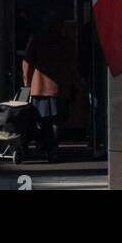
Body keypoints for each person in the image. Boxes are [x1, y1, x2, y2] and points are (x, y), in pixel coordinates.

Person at [21, 15, 78, 163]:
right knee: (57, 121)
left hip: (39, 88)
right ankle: (53, 150)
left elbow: (27, 62)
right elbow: (72, 65)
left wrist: (27, 82)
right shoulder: (66, 42)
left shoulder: (37, 40)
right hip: (60, 88)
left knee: (41, 120)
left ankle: (43, 145)